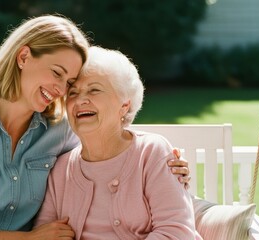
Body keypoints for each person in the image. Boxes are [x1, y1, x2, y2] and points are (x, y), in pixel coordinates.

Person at [0, 15, 190, 240]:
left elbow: (105, 153)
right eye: (57, 73)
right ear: (23, 57)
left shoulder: (60, 131)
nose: (60, 89)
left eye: (68, 82)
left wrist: (166, 165)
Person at [34, 46, 201, 239]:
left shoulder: (151, 152)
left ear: (124, 105)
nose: (80, 100)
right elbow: (45, 232)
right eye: (72, 93)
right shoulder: (61, 169)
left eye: (94, 90)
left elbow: (176, 231)